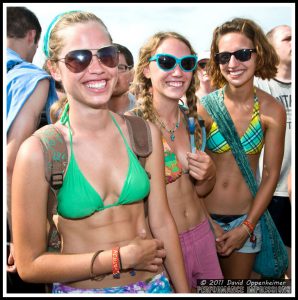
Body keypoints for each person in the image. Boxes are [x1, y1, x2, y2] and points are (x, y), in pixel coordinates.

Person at [11, 11, 189, 294]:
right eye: (78, 58)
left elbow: (163, 222)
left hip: (155, 285)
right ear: (54, 69)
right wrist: (119, 259)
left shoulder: (143, 134)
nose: (97, 68)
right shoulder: (39, 151)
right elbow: (29, 264)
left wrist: (184, 291)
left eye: (106, 55)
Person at [129, 31, 223, 291]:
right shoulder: (132, 128)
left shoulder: (194, 123)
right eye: (167, 62)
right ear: (147, 69)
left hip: (202, 236)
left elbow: (198, 191)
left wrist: (210, 174)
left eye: (187, 63)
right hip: (161, 247)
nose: (178, 71)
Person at [197, 18, 286, 279]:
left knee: (236, 290)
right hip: (203, 218)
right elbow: (191, 174)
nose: (233, 64)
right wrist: (208, 222)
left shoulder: (272, 111)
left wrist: (246, 227)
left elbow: (270, 174)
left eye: (242, 54)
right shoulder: (204, 108)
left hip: (246, 220)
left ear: (259, 54)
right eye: (224, 57)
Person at [6, 6, 58, 293]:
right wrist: (18, 234)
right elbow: (11, 162)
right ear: (31, 36)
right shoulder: (30, 77)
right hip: (12, 207)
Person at [254, 25, 292, 279]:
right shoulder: (258, 85)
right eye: (288, 38)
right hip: (272, 192)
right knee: (271, 268)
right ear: (271, 48)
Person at [108, 43, 136, 114]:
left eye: (120, 68)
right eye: (108, 67)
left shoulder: (144, 113)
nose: (113, 74)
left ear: (132, 75)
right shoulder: (82, 113)